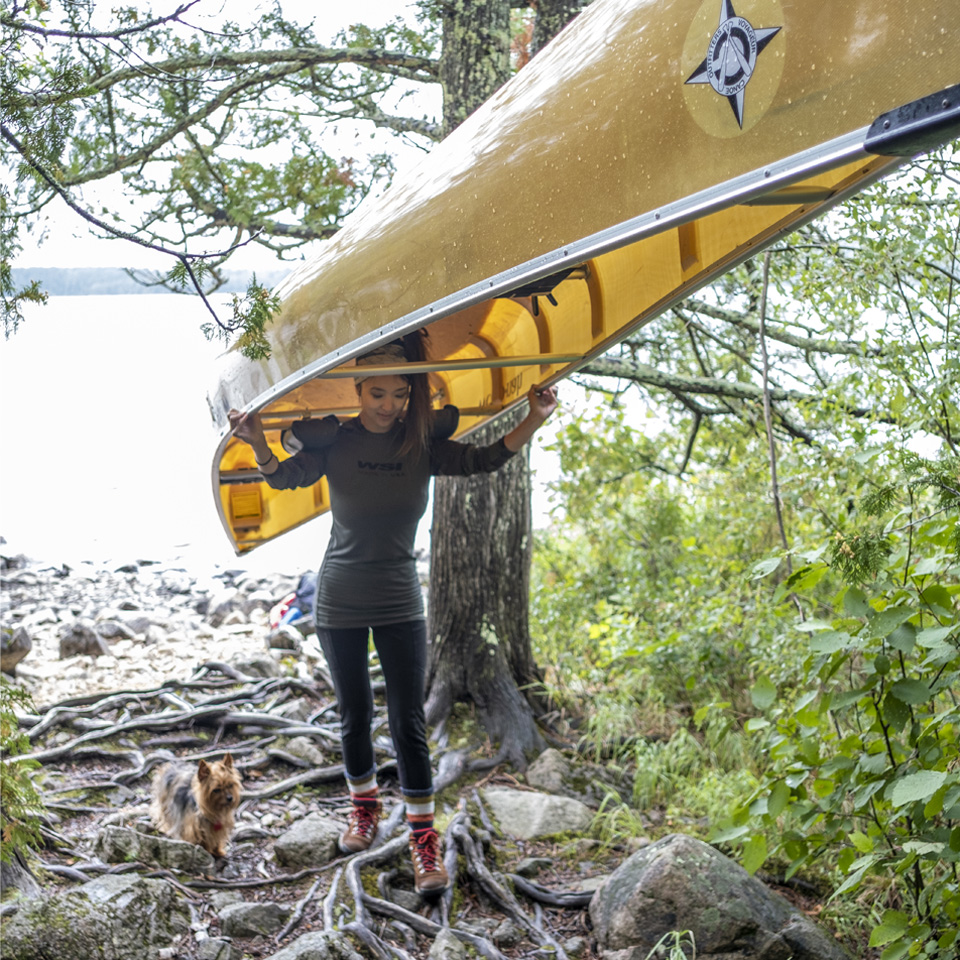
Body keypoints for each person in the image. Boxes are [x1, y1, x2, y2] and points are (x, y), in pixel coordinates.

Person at [228, 332, 557, 894]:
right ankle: (364, 811)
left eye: (399, 395)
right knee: (354, 714)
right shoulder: (335, 443)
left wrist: (536, 418)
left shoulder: (422, 444)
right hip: (339, 599)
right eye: (378, 394)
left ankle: (423, 841)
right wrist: (258, 442)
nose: (389, 405)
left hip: (401, 600)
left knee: (407, 723)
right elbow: (283, 477)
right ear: (359, 390)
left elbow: (483, 461)